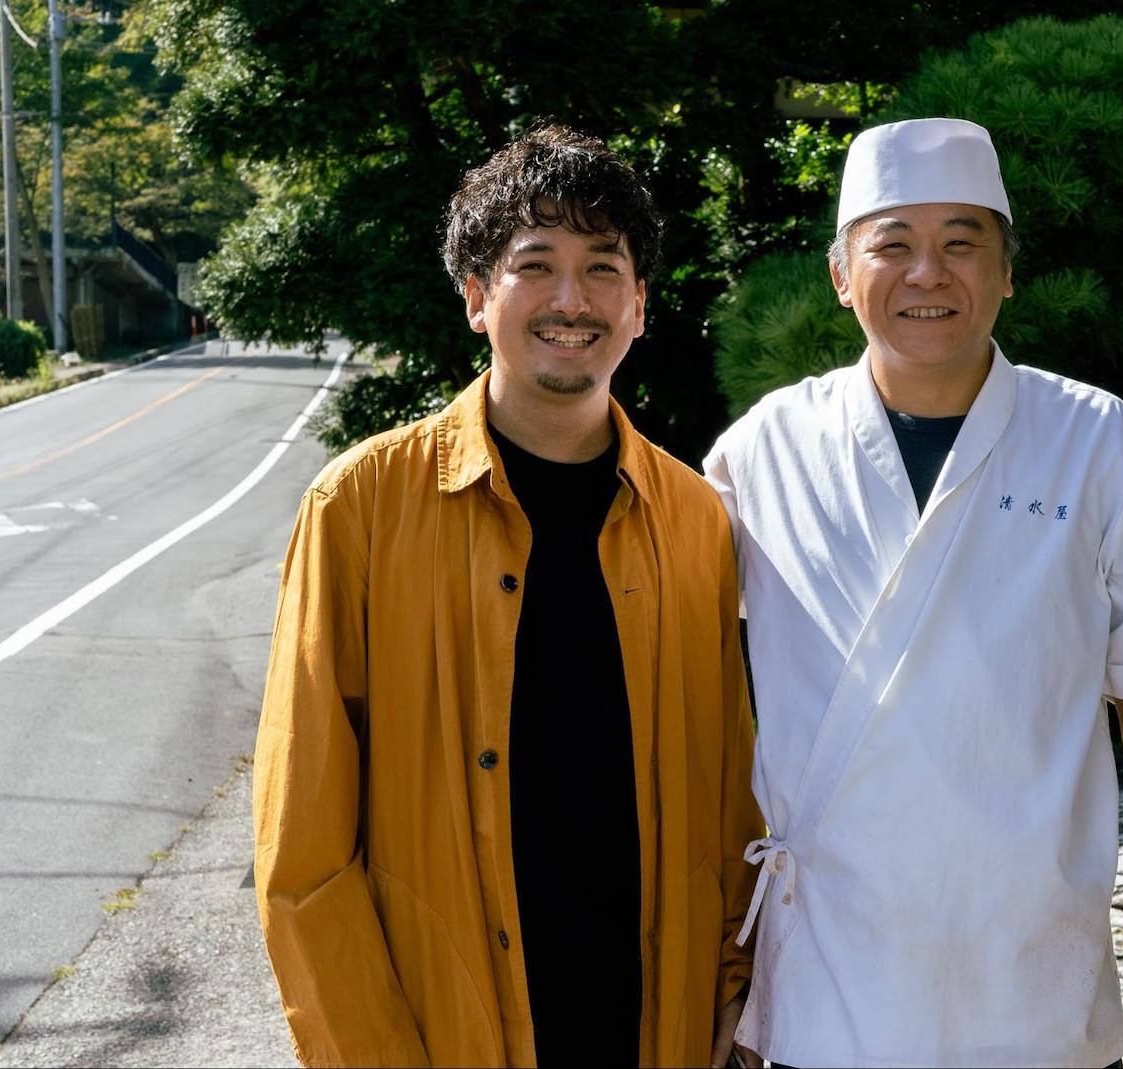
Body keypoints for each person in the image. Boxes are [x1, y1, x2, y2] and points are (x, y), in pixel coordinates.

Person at [703, 117, 1123, 1068]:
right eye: (893, 245)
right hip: (830, 965)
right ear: (840, 274)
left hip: (1030, 958)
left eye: (961, 243)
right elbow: (677, 668)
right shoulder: (763, 449)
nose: (927, 274)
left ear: (1007, 268)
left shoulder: (1096, 438)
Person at [254, 124, 763, 1068]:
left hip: (657, 1026)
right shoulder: (361, 507)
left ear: (641, 305)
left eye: (603, 267)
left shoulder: (695, 518)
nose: (573, 300)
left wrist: (735, 989)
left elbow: (732, 796)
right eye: (537, 264)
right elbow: (302, 849)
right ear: (478, 298)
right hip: (444, 1030)